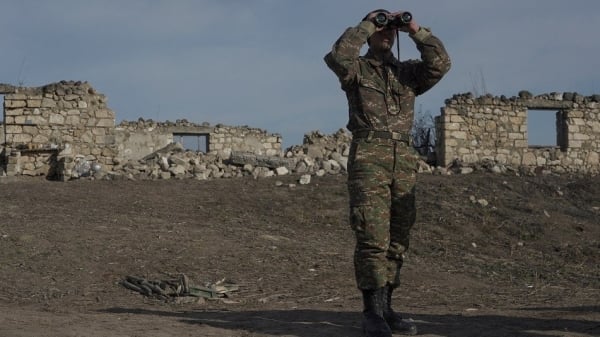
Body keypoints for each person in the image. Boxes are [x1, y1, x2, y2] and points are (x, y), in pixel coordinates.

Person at [324, 8, 451, 337]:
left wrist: (414, 29)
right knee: (372, 236)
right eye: (382, 28)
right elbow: (338, 57)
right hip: (369, 157)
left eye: (389, 29)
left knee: (398, 238)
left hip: (404, 160)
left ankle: (388, 307)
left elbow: (440, 64)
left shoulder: (408, 74)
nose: (386, 33)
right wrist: (368, 23)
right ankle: (371, 313)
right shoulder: (358, 69)